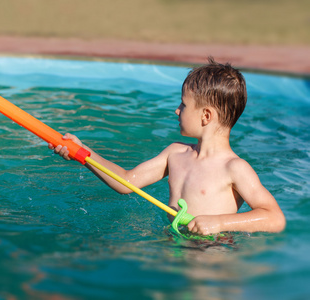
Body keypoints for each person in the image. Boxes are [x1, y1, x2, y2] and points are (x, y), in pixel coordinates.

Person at [48, 57, 286, 235]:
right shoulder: (175, 154)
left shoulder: (234, 168)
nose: (177, 110)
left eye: (183, 105)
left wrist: (220, 223)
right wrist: (83, 152)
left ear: (205, 116)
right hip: (170, 243)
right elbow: (126, 181)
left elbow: (274, 218)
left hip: (212, 254)